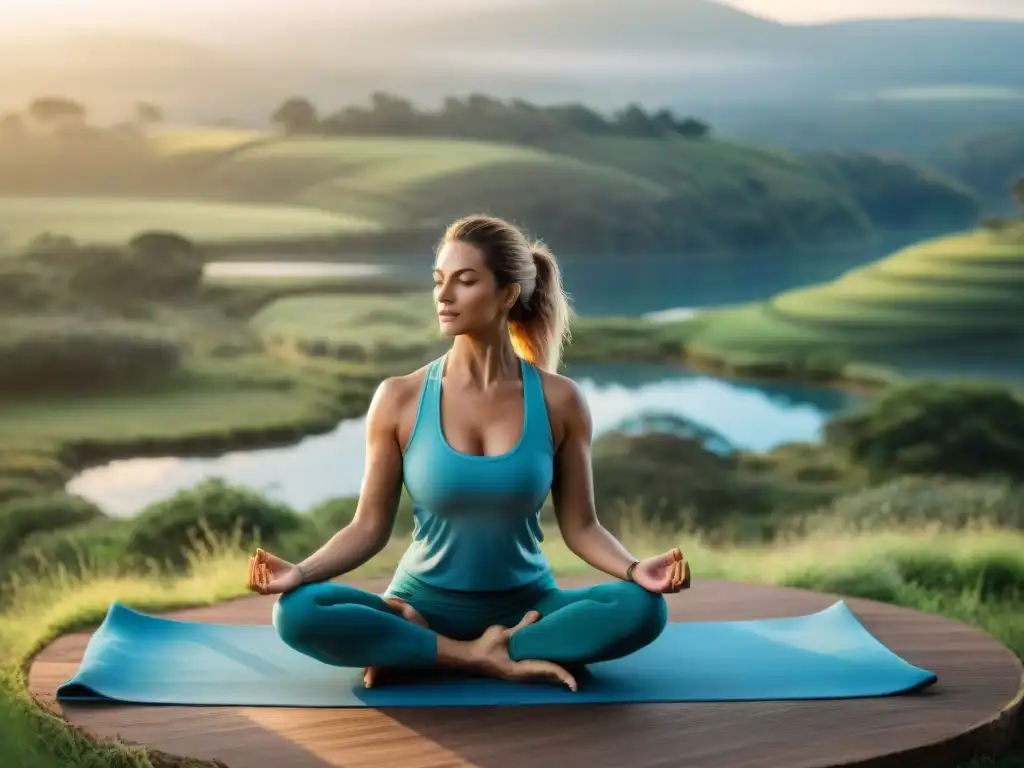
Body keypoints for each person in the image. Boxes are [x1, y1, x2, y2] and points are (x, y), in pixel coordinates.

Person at [247, 214, 691, 692]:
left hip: (528, 610)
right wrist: (300, 572)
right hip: (418, 605)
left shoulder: (560, 401)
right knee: (296, 612)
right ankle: (475, 655)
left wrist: (633, 568)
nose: (443, 296)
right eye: (439, 281)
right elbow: (368, 527)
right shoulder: (399, 397)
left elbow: (581, 526)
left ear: (507, 294)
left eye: (465, 281)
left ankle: (426, 652)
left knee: (643, 608)